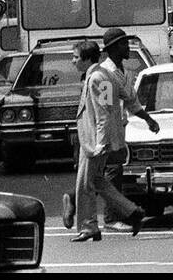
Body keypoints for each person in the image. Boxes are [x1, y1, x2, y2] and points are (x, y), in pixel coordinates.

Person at [63, 30, 160, 242]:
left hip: (95, 141)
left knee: (85, 184)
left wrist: (101, 143)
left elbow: (105, 113)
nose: (73, 62)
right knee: (97, 181)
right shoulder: (101, 74)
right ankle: (132, 212)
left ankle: (89, 226)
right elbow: (124, 101)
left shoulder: (100, 77)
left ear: (88, 58)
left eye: (76, 58)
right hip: (95, 138)